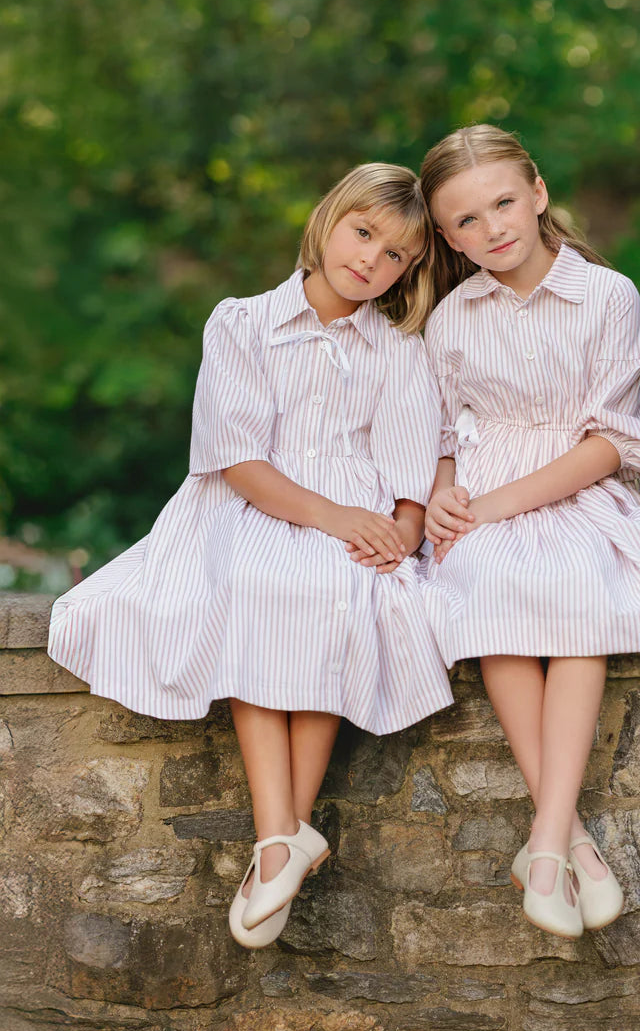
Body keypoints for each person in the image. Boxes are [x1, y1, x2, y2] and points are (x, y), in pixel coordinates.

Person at [49, 163, 453, 948]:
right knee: (258, 582)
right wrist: (336, 516)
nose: (372, 259)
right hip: (258, 499)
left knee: (342, 590)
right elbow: (238, 459)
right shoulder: (242, 322)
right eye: (363, 233)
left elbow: (409, 467)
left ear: (410, 269)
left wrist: (401, 530)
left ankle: (282, 845)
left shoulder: (399, 348)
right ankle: (282, 832)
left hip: (354, 513)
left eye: (396, 254)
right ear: (329, 220)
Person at [419, 125, 640, 941]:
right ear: (446, 237)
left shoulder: (605, 295)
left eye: (504, 203)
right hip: (483, 499)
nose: (492, 229)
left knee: (581, 585)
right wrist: (445, 495)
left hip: (577, 486)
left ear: (538, 192)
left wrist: (498, 504)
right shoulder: (452, 318)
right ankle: (570, 840)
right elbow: (445, 434)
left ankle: (543, 842)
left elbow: (615, 440)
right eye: (466, 222)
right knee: (487, 584)